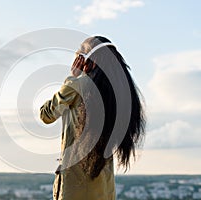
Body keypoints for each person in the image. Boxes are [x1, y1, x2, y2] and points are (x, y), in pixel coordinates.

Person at [40, 36, 146, 200]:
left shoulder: (77, 85)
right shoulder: (118, 92)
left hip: (75, 188)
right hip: (104, 187)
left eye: (78, 53)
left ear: (87, 60)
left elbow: (46, 115)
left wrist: (72, 78)